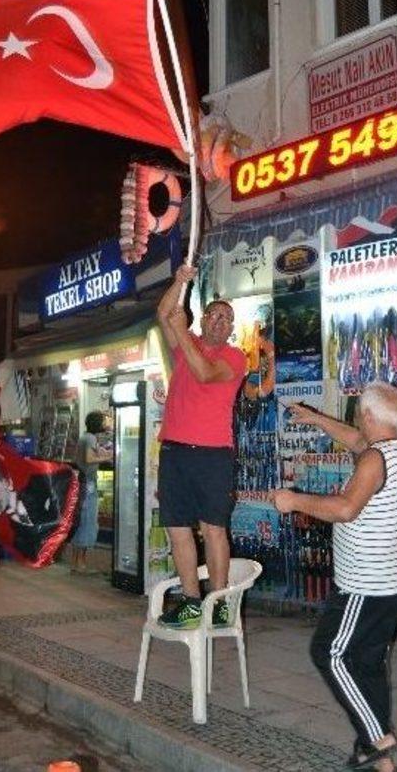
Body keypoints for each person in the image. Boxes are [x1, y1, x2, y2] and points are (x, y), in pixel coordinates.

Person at [273, 382, 397, 772]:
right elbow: (356, 438)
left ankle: (375, 738)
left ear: (369, 416)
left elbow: (345, 509)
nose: (358, 420)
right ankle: (377, 760)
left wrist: (293, 500)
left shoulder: (375, 458)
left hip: (367, 585)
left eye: (360, 413)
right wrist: (317, 418)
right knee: (369, 661)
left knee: (330, 652)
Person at [156, 263, 246, 629]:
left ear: (231, 329)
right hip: (175, 450)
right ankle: (192, 602)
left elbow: (205, 375)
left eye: (228, 318)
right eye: (215, 315)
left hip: (213, 453)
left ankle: (221, 602)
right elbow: (164, 313)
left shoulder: (234, 358)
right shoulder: (186, 343)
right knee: (177, 528)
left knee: (214, 529)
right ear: (204, 319)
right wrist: (180, 282)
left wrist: (182, 330)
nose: (221, 322)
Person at [69, 411, 112, 574]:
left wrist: (104, 455)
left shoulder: (84, 437)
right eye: (104, 421)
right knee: (88, 523)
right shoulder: (91, 438)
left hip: (82, 483)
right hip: (88, 484)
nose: (106, 423)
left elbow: (90, 455)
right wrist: (108, 457)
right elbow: (89, 458)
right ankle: (81, 564)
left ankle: (75, 562)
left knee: (81, 521)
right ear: (98, 424)